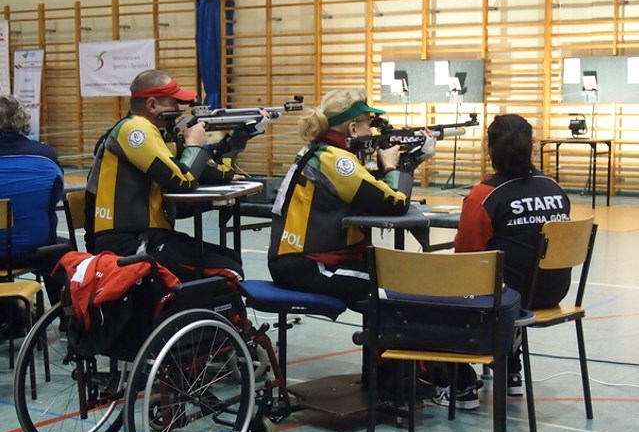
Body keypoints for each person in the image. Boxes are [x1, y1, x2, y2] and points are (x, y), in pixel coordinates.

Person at [429, 113, 571, 410]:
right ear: (531, 147)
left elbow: (466, 260)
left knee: (427, 293)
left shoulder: (485, 196)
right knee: (504, 280)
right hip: (552, 292)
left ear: (489, 149)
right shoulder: (555, 189)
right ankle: (511, 372)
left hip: (508, 299)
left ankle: (460, 385)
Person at [86, 69, 268, 284]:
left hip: (148, 236)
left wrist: (238, 139)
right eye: (173, 103)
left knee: (230, 258)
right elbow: (182, 180)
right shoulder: (135, 130)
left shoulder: (158, 134)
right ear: (152, 105)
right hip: (125, 243)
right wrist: (193, 144)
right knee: (228, 269)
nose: (179, 111)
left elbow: (206, 169)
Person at [268, 89, 424, 306]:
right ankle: (388, 339)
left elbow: (367, 191)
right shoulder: (337, 160)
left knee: (396, 272)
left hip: (300, 261)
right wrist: (396, 166)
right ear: (352, 128)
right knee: (399, 285)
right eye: (368, 124)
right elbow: (395, 203)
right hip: (309, 266)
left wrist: (404, 162)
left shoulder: (322, 151)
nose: (371, 130)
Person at [0, 94, 66, 336]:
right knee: (61, 249)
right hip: (35, 252)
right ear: (21, 120)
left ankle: (11, 315)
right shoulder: (45, 155)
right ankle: (66, 317)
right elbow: (54, 198)